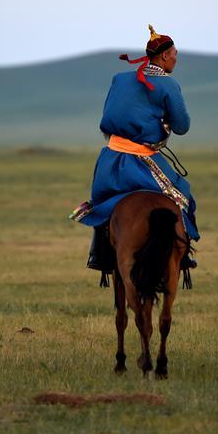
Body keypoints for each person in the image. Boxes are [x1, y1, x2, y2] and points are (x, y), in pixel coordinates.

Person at [70, 25, 199, 272]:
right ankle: (182, 255)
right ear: (164, 56)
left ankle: (98, 254)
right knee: (182, 197)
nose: (176, 59)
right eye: (175, 54)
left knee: (103, 202)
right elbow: (182, 126)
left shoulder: (119, 79)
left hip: (111, 161)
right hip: (142, 161)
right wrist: (164, 123)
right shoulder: (168, 84)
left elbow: (110, 115)